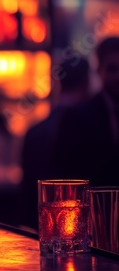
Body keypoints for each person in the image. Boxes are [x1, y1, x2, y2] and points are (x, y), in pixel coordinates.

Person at [19, 56, 90, 229]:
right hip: (76, 229)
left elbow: (27, 192)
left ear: (58, 83)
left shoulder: (35, 131)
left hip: (40, 230)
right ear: (86, 83)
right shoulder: (90, 128)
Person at [54, 37, 119, 187]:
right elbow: (65, 175)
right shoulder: (77, 117)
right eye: (112, 69)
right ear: (98, 70)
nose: (118, 76)